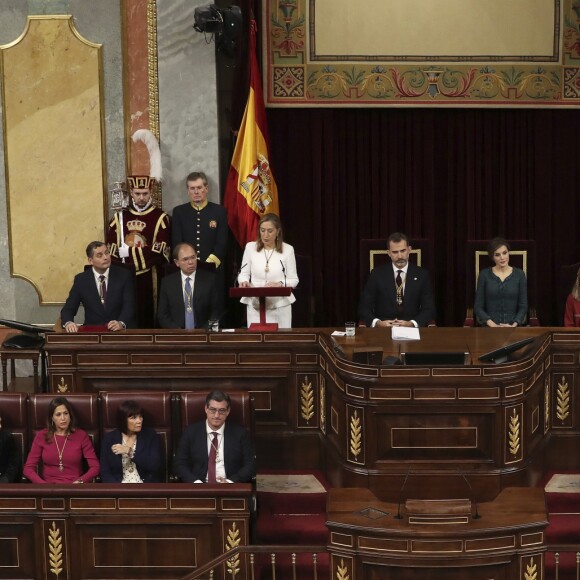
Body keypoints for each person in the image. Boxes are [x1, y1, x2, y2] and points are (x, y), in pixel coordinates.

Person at [106, 175, 171, 328]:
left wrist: (129, 253)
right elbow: (110, 248)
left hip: (150, 275)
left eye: (145, 193)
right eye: (137, 194)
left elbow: (160, 249)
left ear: (151, 193)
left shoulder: (161, 218)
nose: (141, 198)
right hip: (124, 275)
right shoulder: (119, 217)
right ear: (131, 193)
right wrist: (122, 259)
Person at [173, 391, 255, 484]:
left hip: (230, 487)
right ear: (206, 409)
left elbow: (250, 465)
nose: (216, 415)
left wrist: (230, 482)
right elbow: (179, 464)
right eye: (213, 410)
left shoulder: (240, 434)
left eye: (222, 410)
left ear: (228, 411)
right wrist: (196, 483)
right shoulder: (191, 432)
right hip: (198, 487)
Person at [359, 232, 436, 327]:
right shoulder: (377, 274)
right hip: (383, 329)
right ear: (389, 253)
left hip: (412, 330)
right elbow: (365, 307)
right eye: (395, 252)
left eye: (403, 251)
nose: (400, 256)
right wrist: (378, 323)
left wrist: (412, 323)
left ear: (409, 250)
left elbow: (429, 308)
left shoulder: (422, 275)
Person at [237, 213, 299, 328]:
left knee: (279, 342)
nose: (265, 235)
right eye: (262, 230)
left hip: (280, 305)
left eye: (270, 231)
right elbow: (243, 274)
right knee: (257, 342)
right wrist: (244, 281)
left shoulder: (288, 249)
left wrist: (280, 284)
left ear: (278, 231)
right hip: (255, 305)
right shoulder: (250, 248)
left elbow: (294, 280)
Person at [60, 241, 136, 332]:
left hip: (118, 332)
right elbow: (68, 309)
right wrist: (69, 322)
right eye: (100, 255)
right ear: (90, 260)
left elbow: (129, 306)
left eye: (107, 253)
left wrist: (121, 323)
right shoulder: (81, 280)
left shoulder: (124, 276)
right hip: (92, 333)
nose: (106, 257)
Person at [23, 397, 99, 484]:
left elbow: (95, 467)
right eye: (58, 414)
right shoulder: (41, 436)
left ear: (70, 415)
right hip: (49, 488)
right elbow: (28, 468)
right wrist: (43, 485)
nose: (63, 418)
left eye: (65, 413)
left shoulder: (81, 436)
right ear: (52, 418)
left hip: (75, 487)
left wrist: (80, 481)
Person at [171, 171, 228, 272]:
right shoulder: (179, 212)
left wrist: (208, 264)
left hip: (212, 268)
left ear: (206, 189)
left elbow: (222, 243)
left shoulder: (219, 211)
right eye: (192, 188)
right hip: (187, 269)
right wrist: (187, 263)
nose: (196, 192)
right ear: (188, 191)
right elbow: (177, 242)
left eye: (199, 187)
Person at [157, 243, 222, 329]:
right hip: (177, 335)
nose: (190, 262)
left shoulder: (210, 280)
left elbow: (217, 311)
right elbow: (162, 315)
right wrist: (178, 333)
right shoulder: (167, 283)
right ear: (177, 262)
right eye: (185, 259)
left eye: (193, 257)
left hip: (204, 334)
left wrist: (206, 332)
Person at [100, 400, 162, 483]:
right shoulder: (109, 439)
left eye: (140, 416)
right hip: (119, 487)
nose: (139, 421)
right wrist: (117, 490)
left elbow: (154, 466)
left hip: (145, 486)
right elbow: (105, 472)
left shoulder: (150, 436)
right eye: (133, 418)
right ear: (123, 420)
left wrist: (130, 452)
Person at [474, 237, 528, 327]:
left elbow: (523, 306)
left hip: (513, 328)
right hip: (489, 328)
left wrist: (514, 325)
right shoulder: (484, 275)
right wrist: (492, 325)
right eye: (497, 255)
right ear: (492, 257)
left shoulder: (520, 275)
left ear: (508, 253)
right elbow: (478, 307)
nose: (502, 258)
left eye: (504, 253)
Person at [0, 413, 19, 483]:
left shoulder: (8, 438)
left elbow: (13, 465)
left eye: (0, 422)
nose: (0, 426)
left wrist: (5, 480)